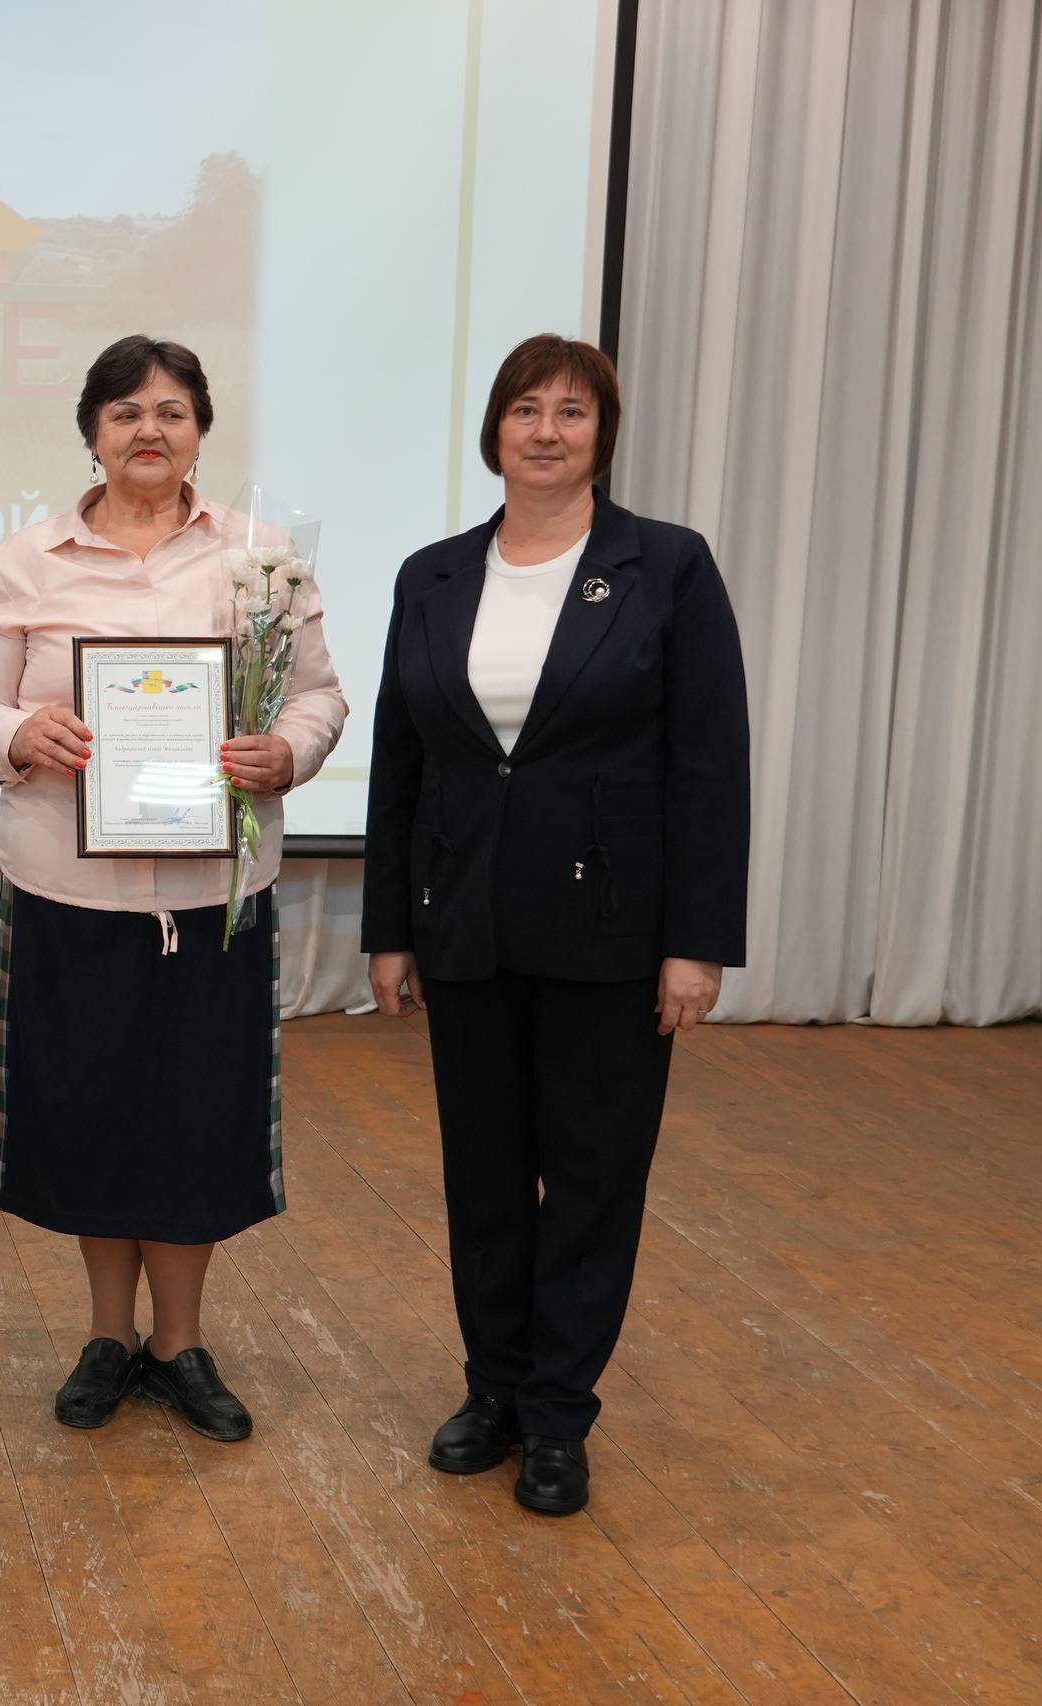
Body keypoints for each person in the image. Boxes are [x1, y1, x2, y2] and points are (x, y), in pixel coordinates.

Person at [363, 333, 750, 1515]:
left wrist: (698, 942)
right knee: (481, 1174)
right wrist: (390, 927)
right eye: (523, 409)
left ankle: (558, 1412)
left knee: (588, 1176)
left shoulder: (666, 567)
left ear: (601, 436)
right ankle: (490, 1387)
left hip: (612, 931)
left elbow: (709, 767)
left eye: (570, 413)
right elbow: (400, 763)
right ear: (492, 432)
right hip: (463, 922)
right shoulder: (431, 574)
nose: (544, 430)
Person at [0, 334, 349, 1440]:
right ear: (92, 431)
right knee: (89, 1121)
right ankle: (106, 1334)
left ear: (200, 430)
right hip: (68, 891)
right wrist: (19, 728)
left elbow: (317, 701)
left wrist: (288, 753)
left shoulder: (261, 558)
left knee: (193, 1123)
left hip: (214, 895)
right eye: (125, 412)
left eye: (170, 411)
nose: (148, 431)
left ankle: (180, 1342)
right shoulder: (27, 559)